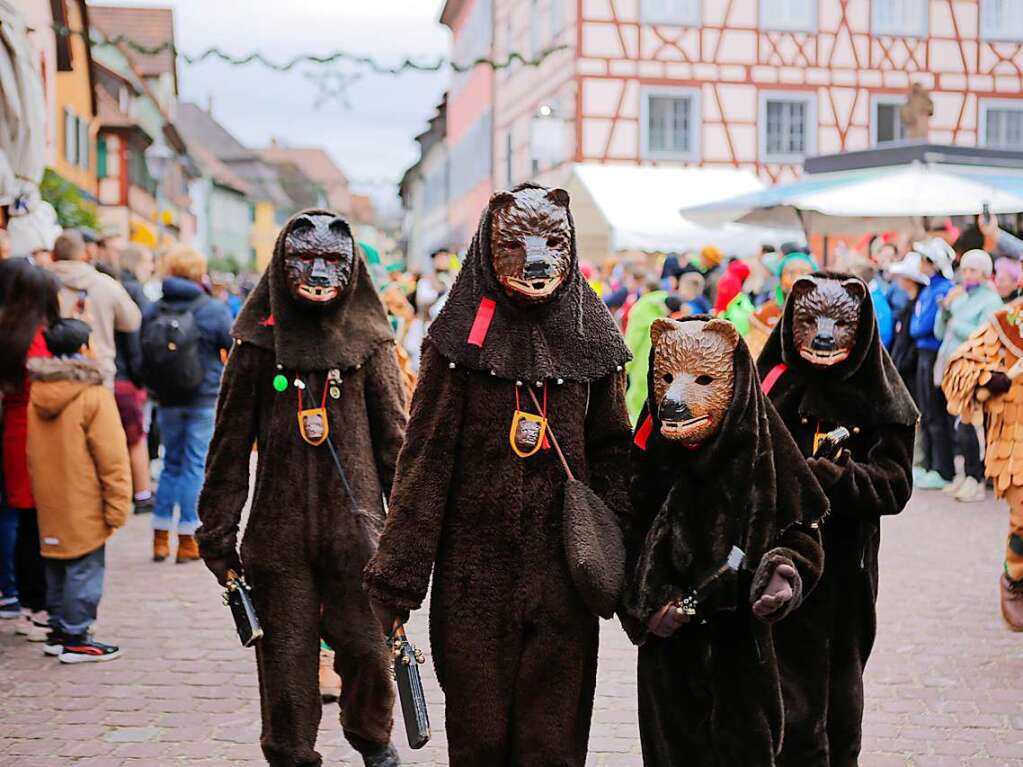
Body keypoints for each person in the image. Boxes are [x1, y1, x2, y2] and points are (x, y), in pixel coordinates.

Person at [365, 185, 632, 767]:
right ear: (490, 245)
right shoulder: (457, 338)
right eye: (517, 242)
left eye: (552, 242)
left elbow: (614, 454)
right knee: (479, 738)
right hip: (472, 578)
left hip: (563, 572)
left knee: (553, 745)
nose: (536, 258)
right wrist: (396, 581)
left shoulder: (593, 334)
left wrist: (624, 560)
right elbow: (425, 462)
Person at [197, 211, 407, 767]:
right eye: (305, 260)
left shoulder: (371, 344)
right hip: (277, 538)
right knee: (286, 671)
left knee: (367, 654)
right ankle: (290, 756)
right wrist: (217, 531)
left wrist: (407, 538)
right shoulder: (256, 346)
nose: (317, 272)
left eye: (332, 261)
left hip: (358, 537)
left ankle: (373, 741)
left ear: (351, 266)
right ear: (281, 264)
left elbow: (396, 446)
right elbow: (228, 445)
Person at [624, 317, 825, 765]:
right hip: (667, 652)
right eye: (667, 378)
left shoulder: (763, 450)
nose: (676, 397)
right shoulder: (648, 456)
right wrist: (646, 604)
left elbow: (802, 537)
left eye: (703, 379)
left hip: (742, 647)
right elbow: (626, 534)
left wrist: (781, 574)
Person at [758, 273, 917, 767]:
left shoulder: (880, 393)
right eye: (811, 321)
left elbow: (894, 483)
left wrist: (838, 479)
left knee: (840, 693)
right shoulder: (773, 382)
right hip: (778, 559)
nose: (823, 334)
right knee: (783, 692)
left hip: (846, 569)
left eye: (837, 323)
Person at [26, 318, 130, 662]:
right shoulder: (93, 394)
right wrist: (118, 502)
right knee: (84, 567)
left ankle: (58, 630)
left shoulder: (38, 391)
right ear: (85, 348)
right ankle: (76, 635)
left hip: (51, 497)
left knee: (56, 564)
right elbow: (112, 455)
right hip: (84, 497)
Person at [140, 246, 232, 564]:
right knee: (194, 465)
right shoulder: (212, 308)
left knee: (171, 465)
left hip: (166, 399)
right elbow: (231, 346)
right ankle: (188, 539)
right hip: (202, 397)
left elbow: (143, 354)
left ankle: (160, 538)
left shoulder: (154, 309)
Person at [943, 296, 1023, 630]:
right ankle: (1015, 575)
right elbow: (959, 365)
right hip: (1017, 442)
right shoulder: (1007, 324)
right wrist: (996, 379)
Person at [0, 262, 61, 639]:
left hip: (13, 429)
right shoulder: (35, 336)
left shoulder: (9, 331)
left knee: (19, 515)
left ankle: (21, 598)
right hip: (32, 431)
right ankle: (35, 604)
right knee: (33, 519)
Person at [935, 249, 1004, 503]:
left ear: (985, 274)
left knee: (968, 425)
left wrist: (954, 321)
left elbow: (984, 334)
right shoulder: (960, 297)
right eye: (963, 270)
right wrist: (945, 310)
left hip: (976, 372)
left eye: (972, 270)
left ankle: (975, 478)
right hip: (953, 373)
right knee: (956, 425)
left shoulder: (991, 301)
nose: (966, 275)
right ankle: (965, 476)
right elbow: (940, 332)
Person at [48, 231, 141, 389]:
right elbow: (132, 321)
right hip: (98, 372)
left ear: (53, 255)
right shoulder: (106, 284)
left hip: (53, 374)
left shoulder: (41, 283)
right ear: (84, 254)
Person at [910, 240, 956, 489]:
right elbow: (915, 326)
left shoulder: (944, 289)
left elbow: (924, 326)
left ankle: (943, 469)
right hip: (923, 354)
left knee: (937, 413)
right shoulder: (929, 289)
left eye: (924, 258)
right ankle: (929, 465)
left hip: (934, 355)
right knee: (926, 413)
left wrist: (917, 328)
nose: (919, 263)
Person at [114, 245, 153, 513]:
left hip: (115, 374)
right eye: (149, 261)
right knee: (136, 438)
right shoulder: (135, 292)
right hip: (127, 378)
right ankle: (141, 495)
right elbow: (137, 340)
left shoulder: (117, 286)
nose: (151, 267)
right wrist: (143, 378)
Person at [747, 252, 817, 359]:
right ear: (780, 279)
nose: (797, 278)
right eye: (791, 273)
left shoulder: (823, 315)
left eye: (804, 273)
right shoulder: (764, 314)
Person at [624, 281, 670, 423]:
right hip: (666, 363)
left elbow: (633, 338)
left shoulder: (641, 308)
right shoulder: (669, 302)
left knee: (638, 402)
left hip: (643, 363)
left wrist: (626, 365)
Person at [888, 254, 930, 397]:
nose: (899, 279)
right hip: (902, 366)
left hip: (911, 370)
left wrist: (906, 362)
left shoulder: (919, 304)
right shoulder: (908, 304)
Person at [713, 258, 753, 334]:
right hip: (736, 325)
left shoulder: (727, 278)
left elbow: (721, 302)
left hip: (726, 318)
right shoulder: (735, 285)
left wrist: (717, 313)